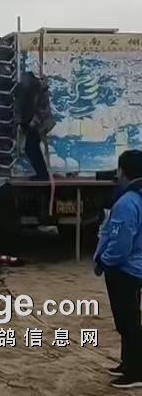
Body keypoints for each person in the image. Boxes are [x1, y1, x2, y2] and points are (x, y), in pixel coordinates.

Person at [94, 149, 142, 388]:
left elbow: (121, 243)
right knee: (130, 319)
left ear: (123, 171)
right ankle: (128, 363)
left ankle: (135, 372)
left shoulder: (127, 202)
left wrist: (104, 261)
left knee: (127, 322)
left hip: (125, 270)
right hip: (136, 268)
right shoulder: (136, 197)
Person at [14, 72, 54, 181]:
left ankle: (42, 174)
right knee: (31, 148)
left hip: (40, 123)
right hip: (32, 122)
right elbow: (21, 107)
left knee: (32, 147)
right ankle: (42, 173)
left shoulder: (40, 91)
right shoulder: (28, 91)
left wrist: (33, 122)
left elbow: (42, 110)